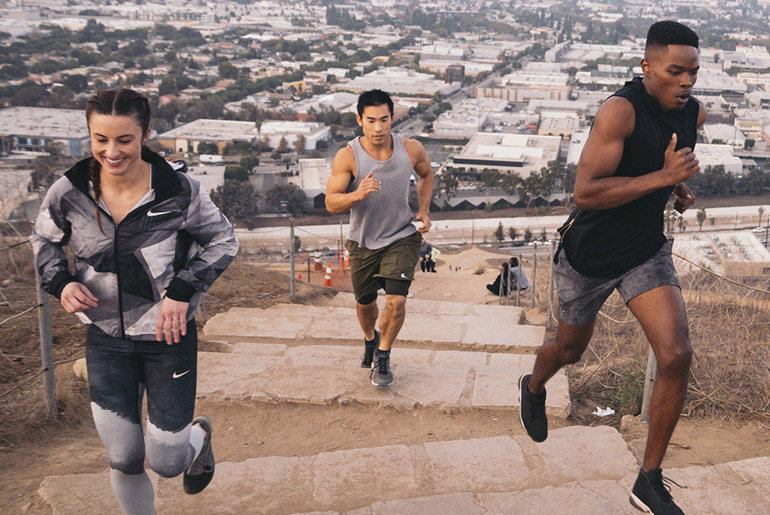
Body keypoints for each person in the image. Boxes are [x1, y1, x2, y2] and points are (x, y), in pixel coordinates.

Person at [517, 21, 706, 515]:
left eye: (693, 72)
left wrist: (677, 190)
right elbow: (586, 193)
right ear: (647, 67)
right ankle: (534, 385)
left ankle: (648, 479)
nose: (687, 81)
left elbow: (663, 172)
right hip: (589, 256)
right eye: (675, 71)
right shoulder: (619, 111)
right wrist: (663, 177)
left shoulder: (694, 114)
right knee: (569, 349)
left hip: (645, 251)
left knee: (676, 354)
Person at [31, 89, 239, 514]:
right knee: (124, 458)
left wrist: (183, 292)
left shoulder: (177, 190)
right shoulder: (68, 191)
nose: (111, 151)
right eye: (100, 139)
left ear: (144, 134)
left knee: (164, 462)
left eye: (124, 139)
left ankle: (197, 438)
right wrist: (61, 283)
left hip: (169, 339)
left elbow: (223, 240)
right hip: (105, 340)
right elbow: (44, 242)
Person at [325, 89, 434, 387]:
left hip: (401, 236)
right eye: (371, 120)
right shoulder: (348, 156)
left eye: (384, 119)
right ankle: (371, 339)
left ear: (393, 118)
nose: (378, 127)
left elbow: (427, 174)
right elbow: (330, 202)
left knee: (396, 303)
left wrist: (423, 209)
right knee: (365, 305)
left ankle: (383, 356)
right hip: (363, 242)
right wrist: (357, 194)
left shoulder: (410, 149)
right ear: (360, 120)